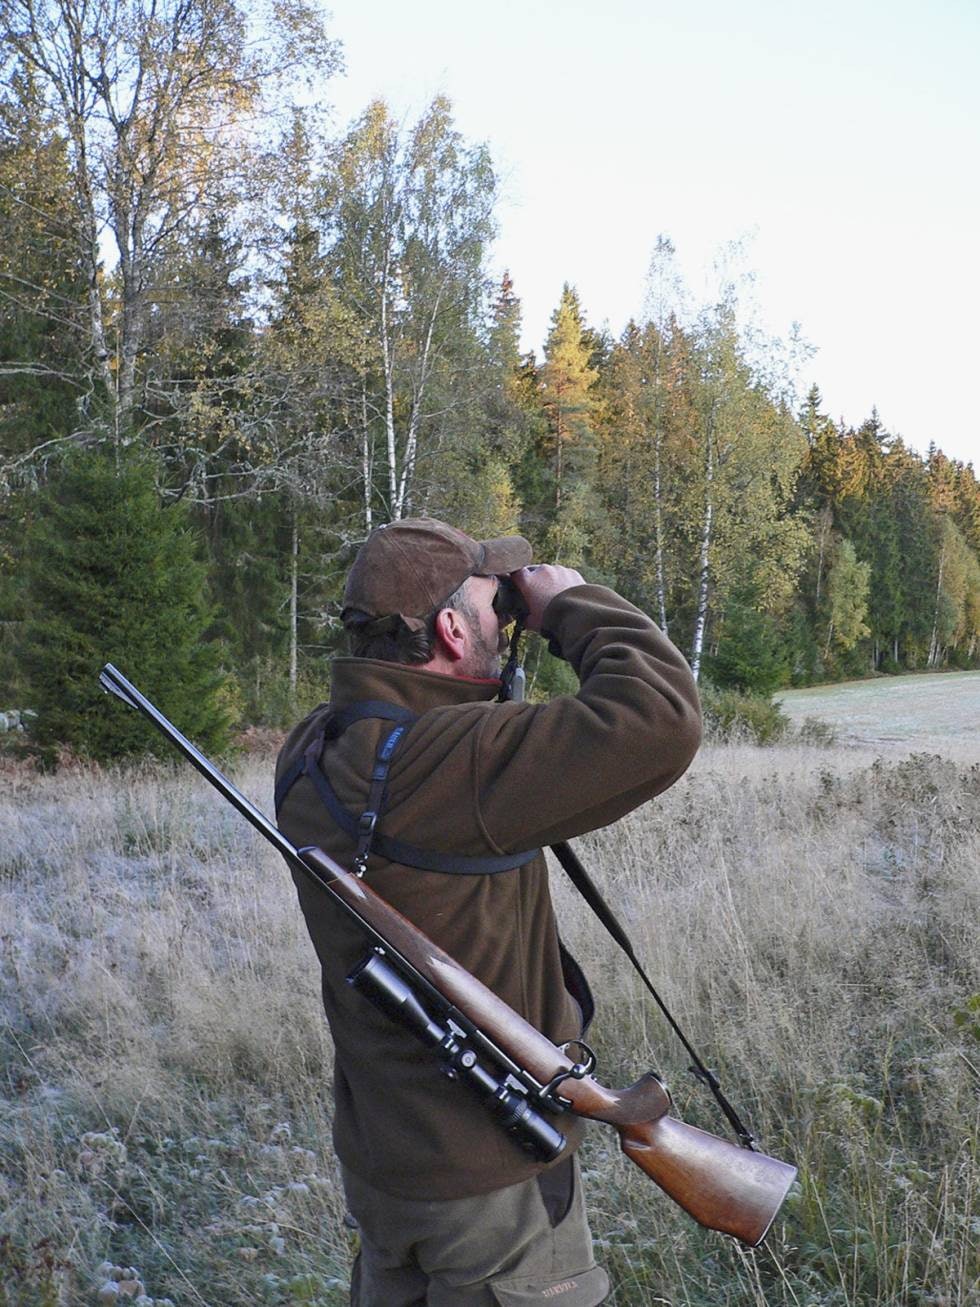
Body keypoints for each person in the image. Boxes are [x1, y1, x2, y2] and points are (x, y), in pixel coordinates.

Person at [275, 518, 702, 1306]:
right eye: (492, 603)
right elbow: (664, 716)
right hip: (492, 1186)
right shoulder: (456, 763)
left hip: (386, 1171)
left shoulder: (311, 750)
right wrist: (571, 604)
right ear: (447, 628)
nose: (507, 617)